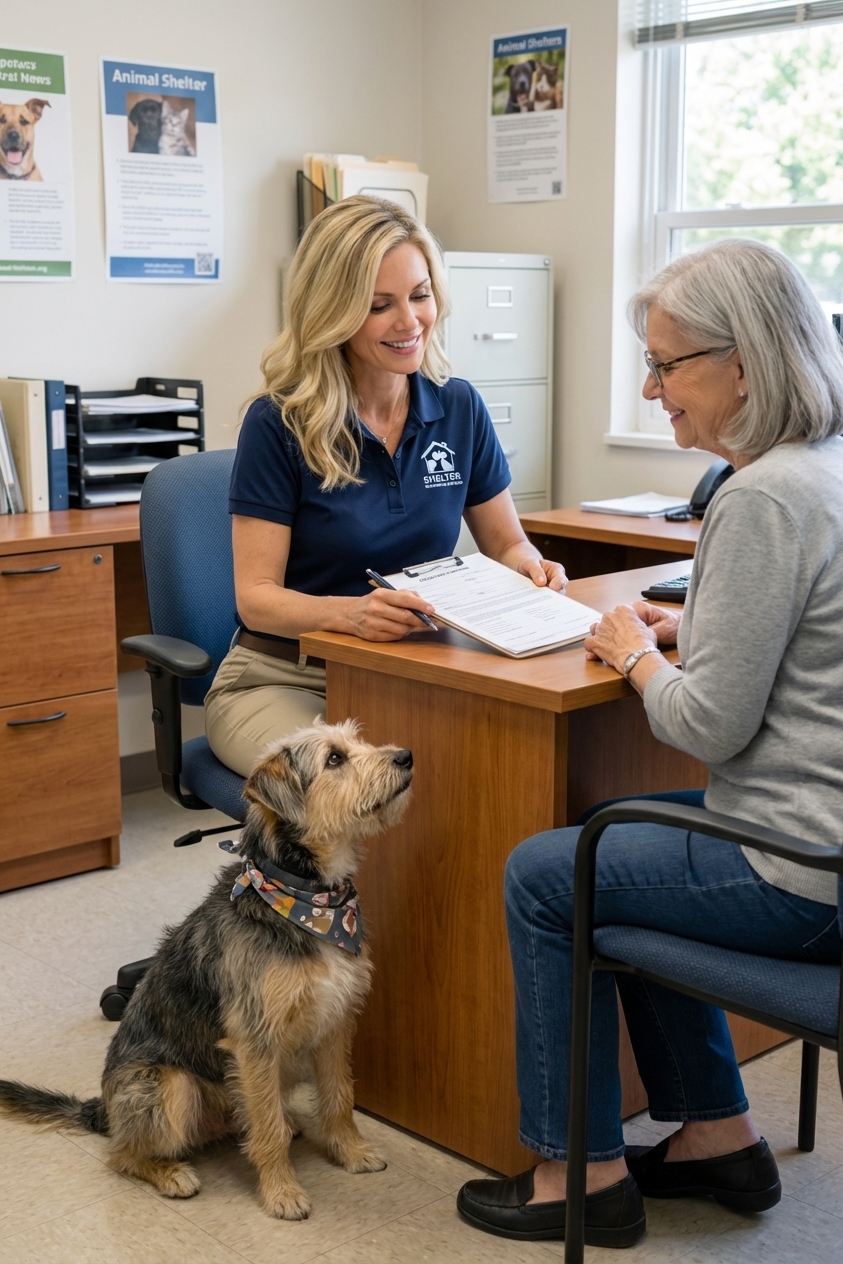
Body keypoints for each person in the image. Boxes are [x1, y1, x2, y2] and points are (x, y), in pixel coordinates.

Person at [457, 238, 843, 1248]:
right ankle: (718, 1132)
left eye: (667, 364)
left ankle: (572, 1172)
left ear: (745, 365)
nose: (649, 384)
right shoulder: (822, 471)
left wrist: (634, 652)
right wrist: (696, 635)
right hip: (825, 845)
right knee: (603, 840)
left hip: (798, 870)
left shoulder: (759, 497)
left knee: (548, 873)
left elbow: (706, 723)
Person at [205, 195, 565, 776]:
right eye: (380, 306)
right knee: (343, 784)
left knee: (499, 765)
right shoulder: (279, 423)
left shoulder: (458, 407)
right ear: (334, 311)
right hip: (284, 678)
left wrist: (532, 568)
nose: (410, 321)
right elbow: (257, 598)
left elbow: (506, 544)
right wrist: (351, 616)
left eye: (420, 295)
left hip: (411, 673)